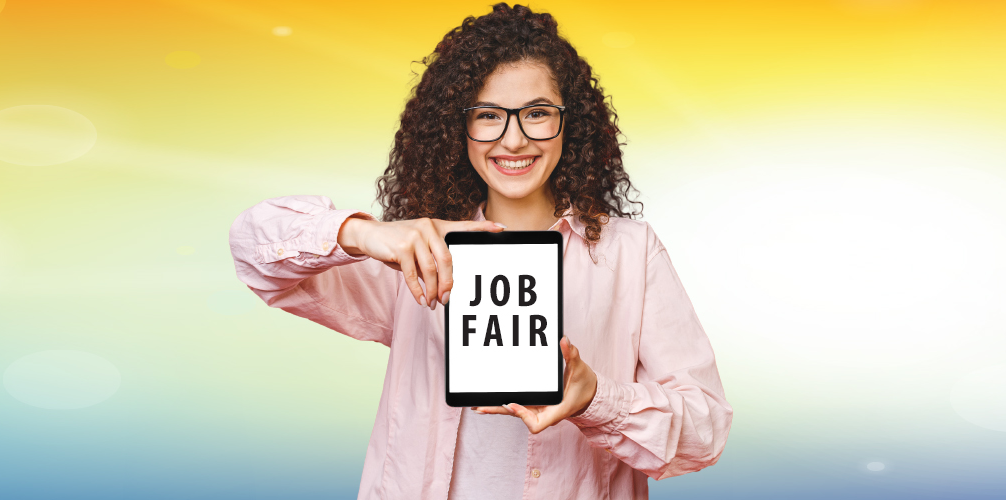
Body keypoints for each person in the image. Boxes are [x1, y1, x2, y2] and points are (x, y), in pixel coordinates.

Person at [227, 4, 731, 499]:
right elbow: (253, 252)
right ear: (456, 128)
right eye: (488, 115)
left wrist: (596, 398)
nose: (513, 140)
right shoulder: (415, 251)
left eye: (536, 113)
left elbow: (705, 435)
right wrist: (364, 233)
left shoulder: (630, 254)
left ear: (569, 122)